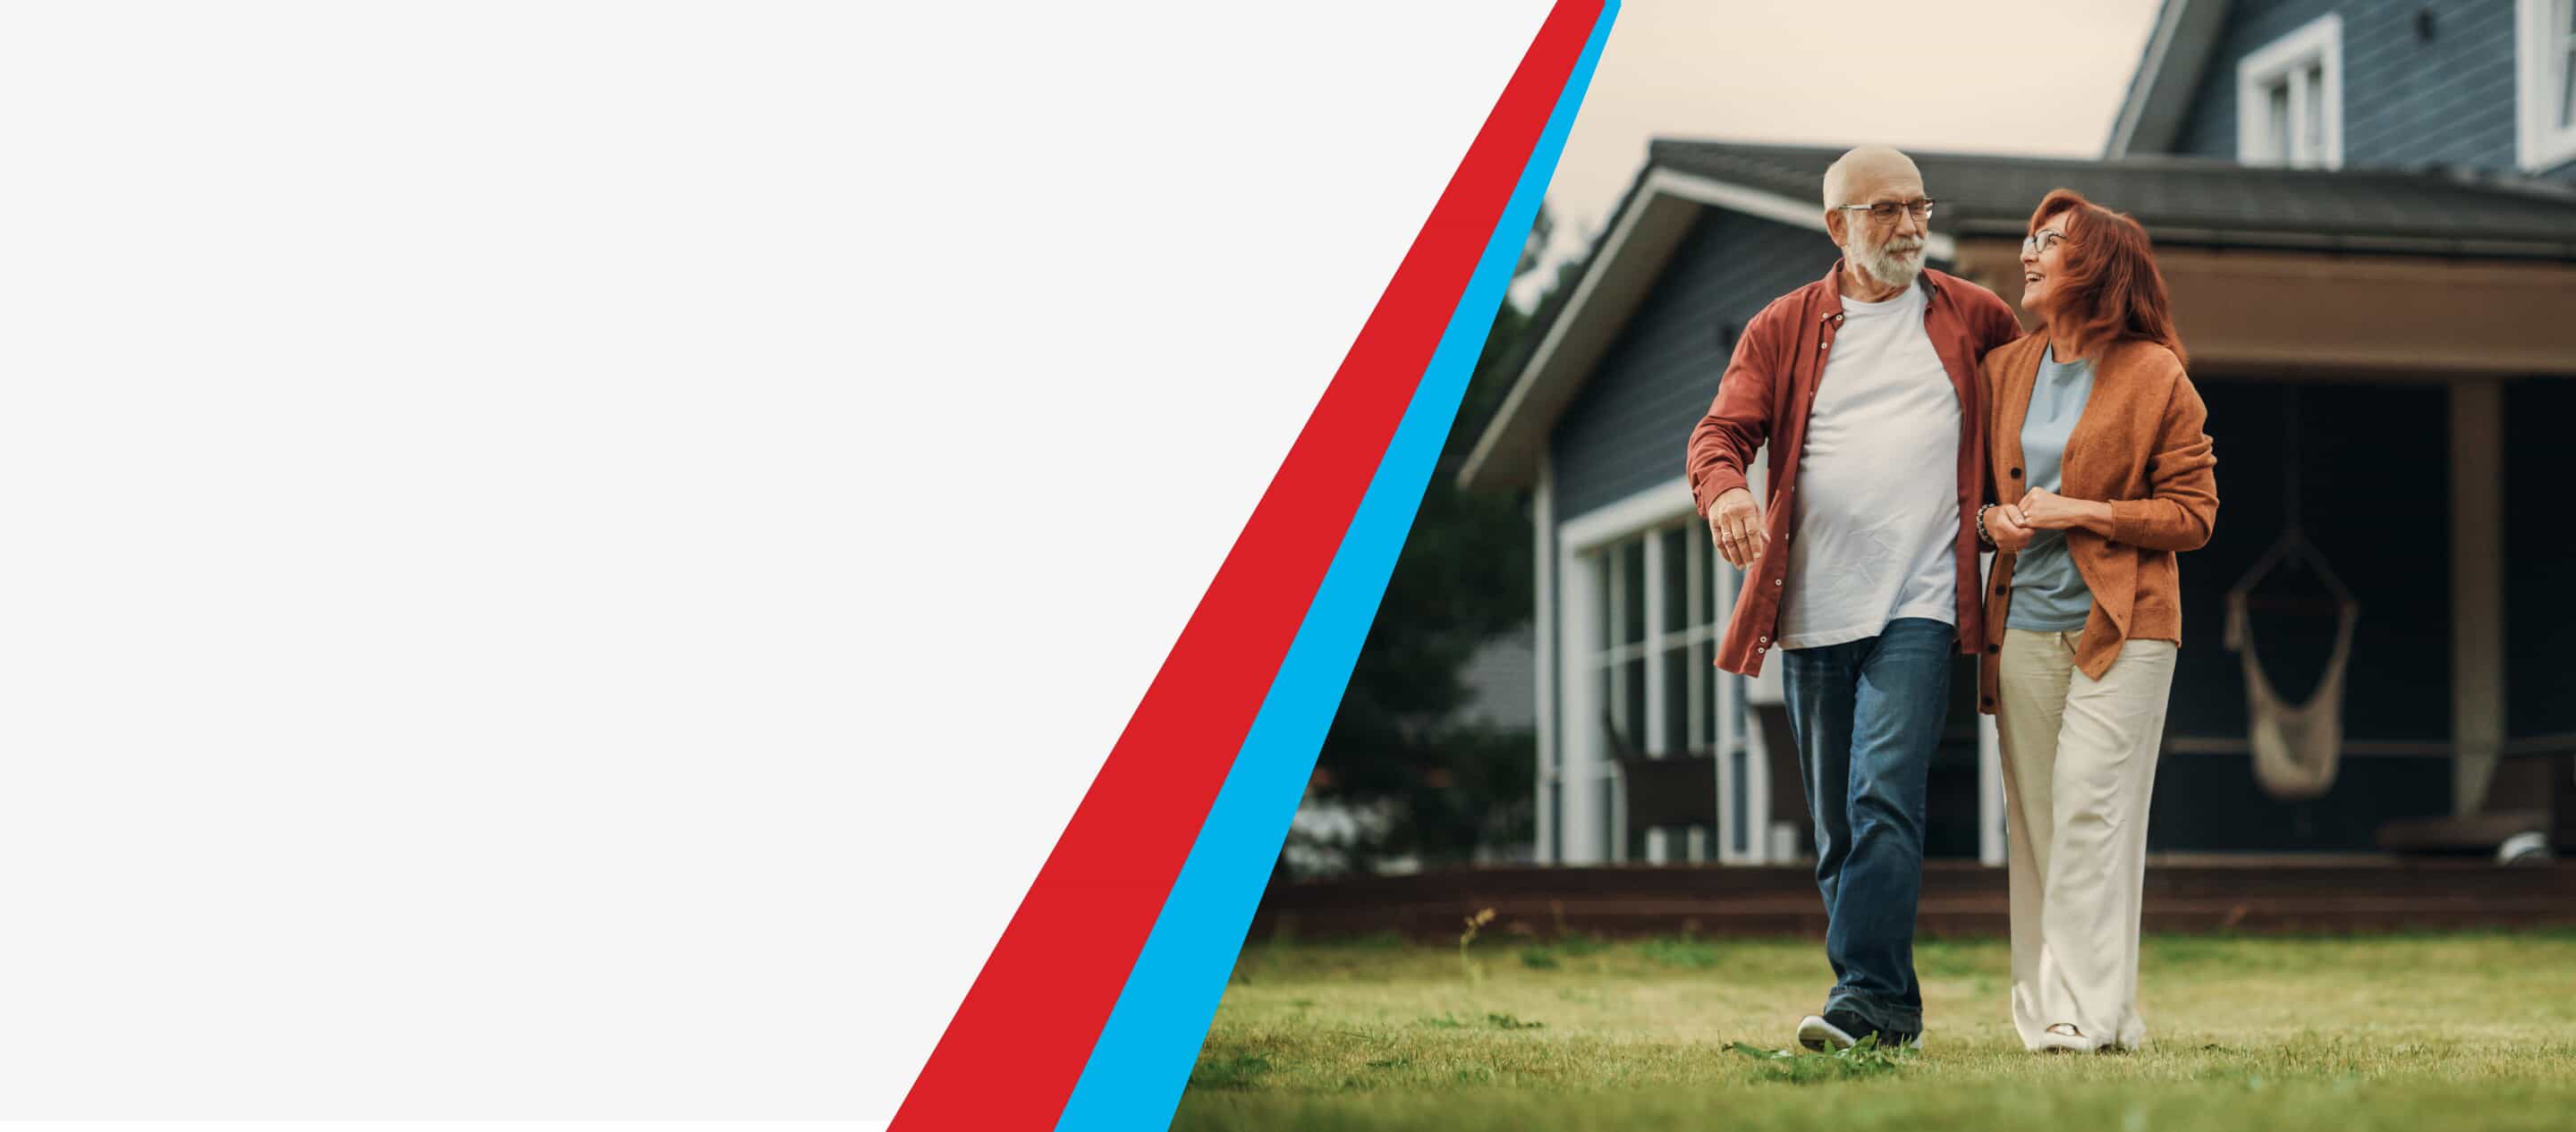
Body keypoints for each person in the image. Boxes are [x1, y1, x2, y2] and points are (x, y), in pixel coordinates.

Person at [1685, 147, 2022, 1052]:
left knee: (1883, 795)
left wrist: (2015, 515)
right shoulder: (1784, 327)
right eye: (1886, 211)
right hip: (1809, 612)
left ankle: (1863, 1000)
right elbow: (1722, 431)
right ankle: (1890, 1013)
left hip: (1920, 602)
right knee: (1835, 822)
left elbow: (2038, 417)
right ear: (1838, 227)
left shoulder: (1977, 319)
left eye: (1919, 207)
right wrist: (1724, 490)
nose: (1911, 226)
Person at [1976, 188, 2218, 1053]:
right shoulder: (2006, 367)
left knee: (2091, 811)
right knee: (2040, 826)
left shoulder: (2155, 373)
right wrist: (1991, 524)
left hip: (2127, 626)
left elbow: (2195, 515)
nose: (2029, 253)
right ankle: (2077, 1011)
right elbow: (1975, 501)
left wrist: (2085, 510)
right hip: (2024, 629)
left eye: (2050, 242)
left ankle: (2078, 1010)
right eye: (2029, 238)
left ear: (2098, 267)